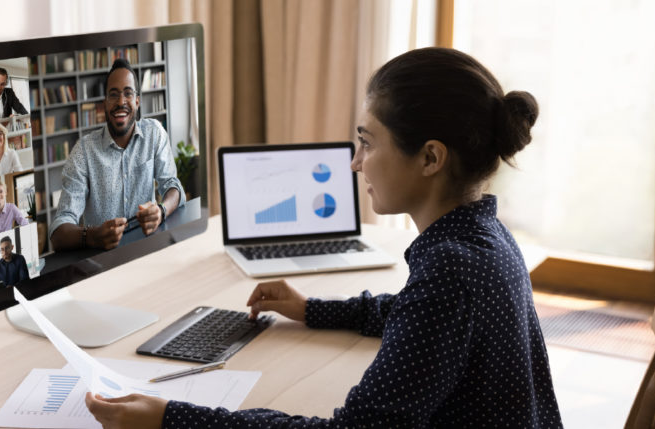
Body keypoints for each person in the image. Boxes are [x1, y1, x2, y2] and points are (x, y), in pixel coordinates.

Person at [85, 47, 564, 428]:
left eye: (368, 142)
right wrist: (309, 308)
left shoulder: (452, 269)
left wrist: (173, 418)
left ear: (430, 158)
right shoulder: (485, 236)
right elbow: (406, 312)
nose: (356, 162)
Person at [49, 58, 184, 251]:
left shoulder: (154, 133)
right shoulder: (84, 151)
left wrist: (161, 211)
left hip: (149, 249)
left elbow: (173, 186)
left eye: (128, 94)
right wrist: (92, 236)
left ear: (137, 101)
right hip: (104, 261)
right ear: (104, 103)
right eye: (113, 95)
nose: (121, 102)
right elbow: (58, 231)